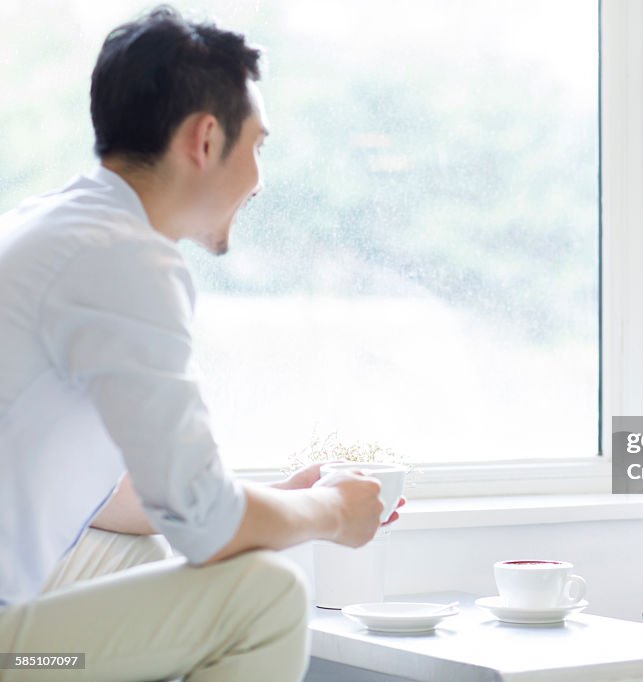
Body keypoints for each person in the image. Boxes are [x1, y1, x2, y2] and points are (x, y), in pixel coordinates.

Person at [0, 7, 398, 681]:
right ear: (206, 138)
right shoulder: (123, 260)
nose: (260, 179)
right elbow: (206, 527)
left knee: (142, 558)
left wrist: (270, 497)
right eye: (259, 146)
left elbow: (126, 498)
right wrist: (332, 512)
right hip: (20, 656)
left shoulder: (54, 225)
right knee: (266, 598)